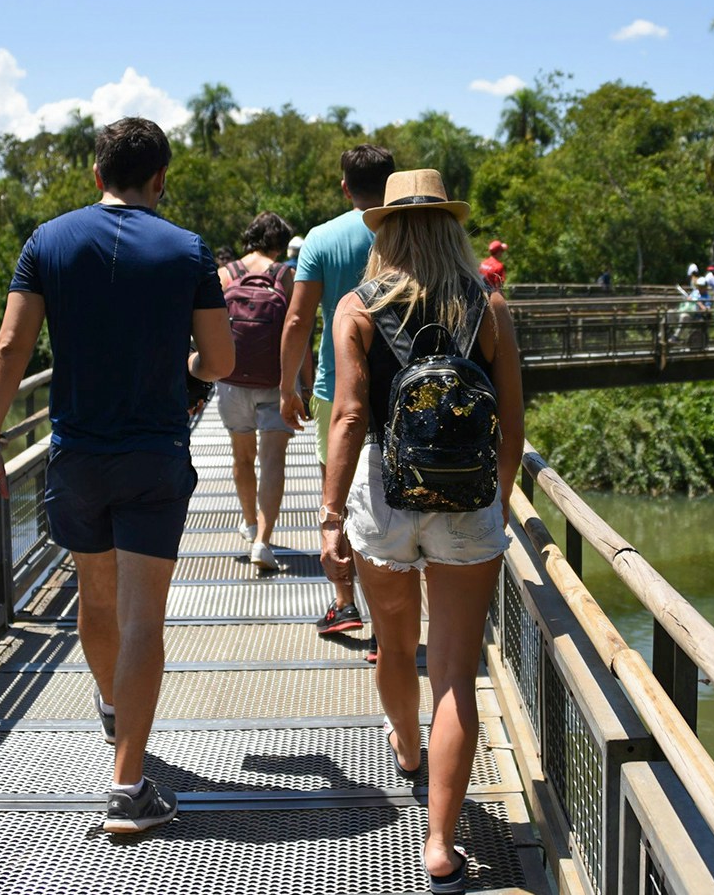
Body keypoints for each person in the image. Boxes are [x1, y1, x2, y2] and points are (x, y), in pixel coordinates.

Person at [0, 117, 235, 835]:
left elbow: (8, 349)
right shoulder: (187, 250)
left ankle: (116, 710)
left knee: (96, 599)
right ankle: (128, 786)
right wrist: (184, 369)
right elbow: (219, 363)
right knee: (145, 617)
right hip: (153, 455)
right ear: (160, 179)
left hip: (77, 457)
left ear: (96, 175)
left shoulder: (47, 242)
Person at [320, 169, 524, 891]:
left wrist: (331, 513)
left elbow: (347, 418)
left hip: (384, 494)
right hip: (467, 504)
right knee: (455, 679)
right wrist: (491, 506)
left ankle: (406, 747)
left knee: (393, 645)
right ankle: (440, 845)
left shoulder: (357, 308)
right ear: (451, 227)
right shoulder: (488, 304)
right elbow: (512, 423)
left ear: (388, 231)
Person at [278, 144, 396, 646]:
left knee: (341, 496)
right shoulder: (407, 231)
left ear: (344, 186)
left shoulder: (323, 238)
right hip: (399, 386)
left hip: (334, 387)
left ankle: (346, 604)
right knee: (393, 493)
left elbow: (300, 319)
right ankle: (390, 621)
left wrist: (288, 386)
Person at [217, 211, 299, 571]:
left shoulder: (225, 274)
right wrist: (300, 385)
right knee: (273, 461)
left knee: (242, 456)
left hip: (232, 380)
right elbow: (297, 328)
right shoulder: (286, 275)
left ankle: (250, 525)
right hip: (275, 381)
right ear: (280, 244)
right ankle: (263, 543)